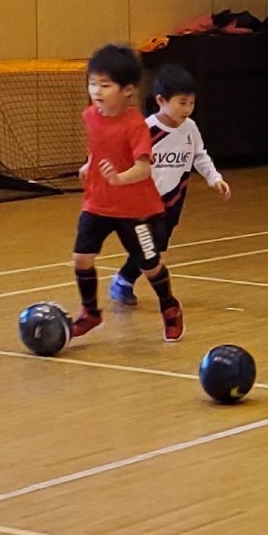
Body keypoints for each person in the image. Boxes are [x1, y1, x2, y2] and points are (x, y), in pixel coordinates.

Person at [72, 44, 186, 343]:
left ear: (127, 90)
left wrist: (119, 178)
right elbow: (99, 148)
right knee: (81, 258)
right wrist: (89, 164)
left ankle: (169, 306)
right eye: (93, 83)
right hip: (97, 204)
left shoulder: (135, 125)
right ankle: (90, 312)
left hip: (137, 212)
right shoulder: (90, 116)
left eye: (105, 85)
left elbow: (143, 168)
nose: (96, 91)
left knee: (150, 265)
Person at [108, 63, 232, 306]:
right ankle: (123, 281)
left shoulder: (190, 128)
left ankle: (124, 279)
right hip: (145, 202)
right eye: (181, 103)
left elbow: (199, 155)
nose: (187, 109)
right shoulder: (146, 130)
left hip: (173, 200)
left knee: (155, 248)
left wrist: (215, 178)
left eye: (191, 103)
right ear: (161, 100)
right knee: (149, 246)